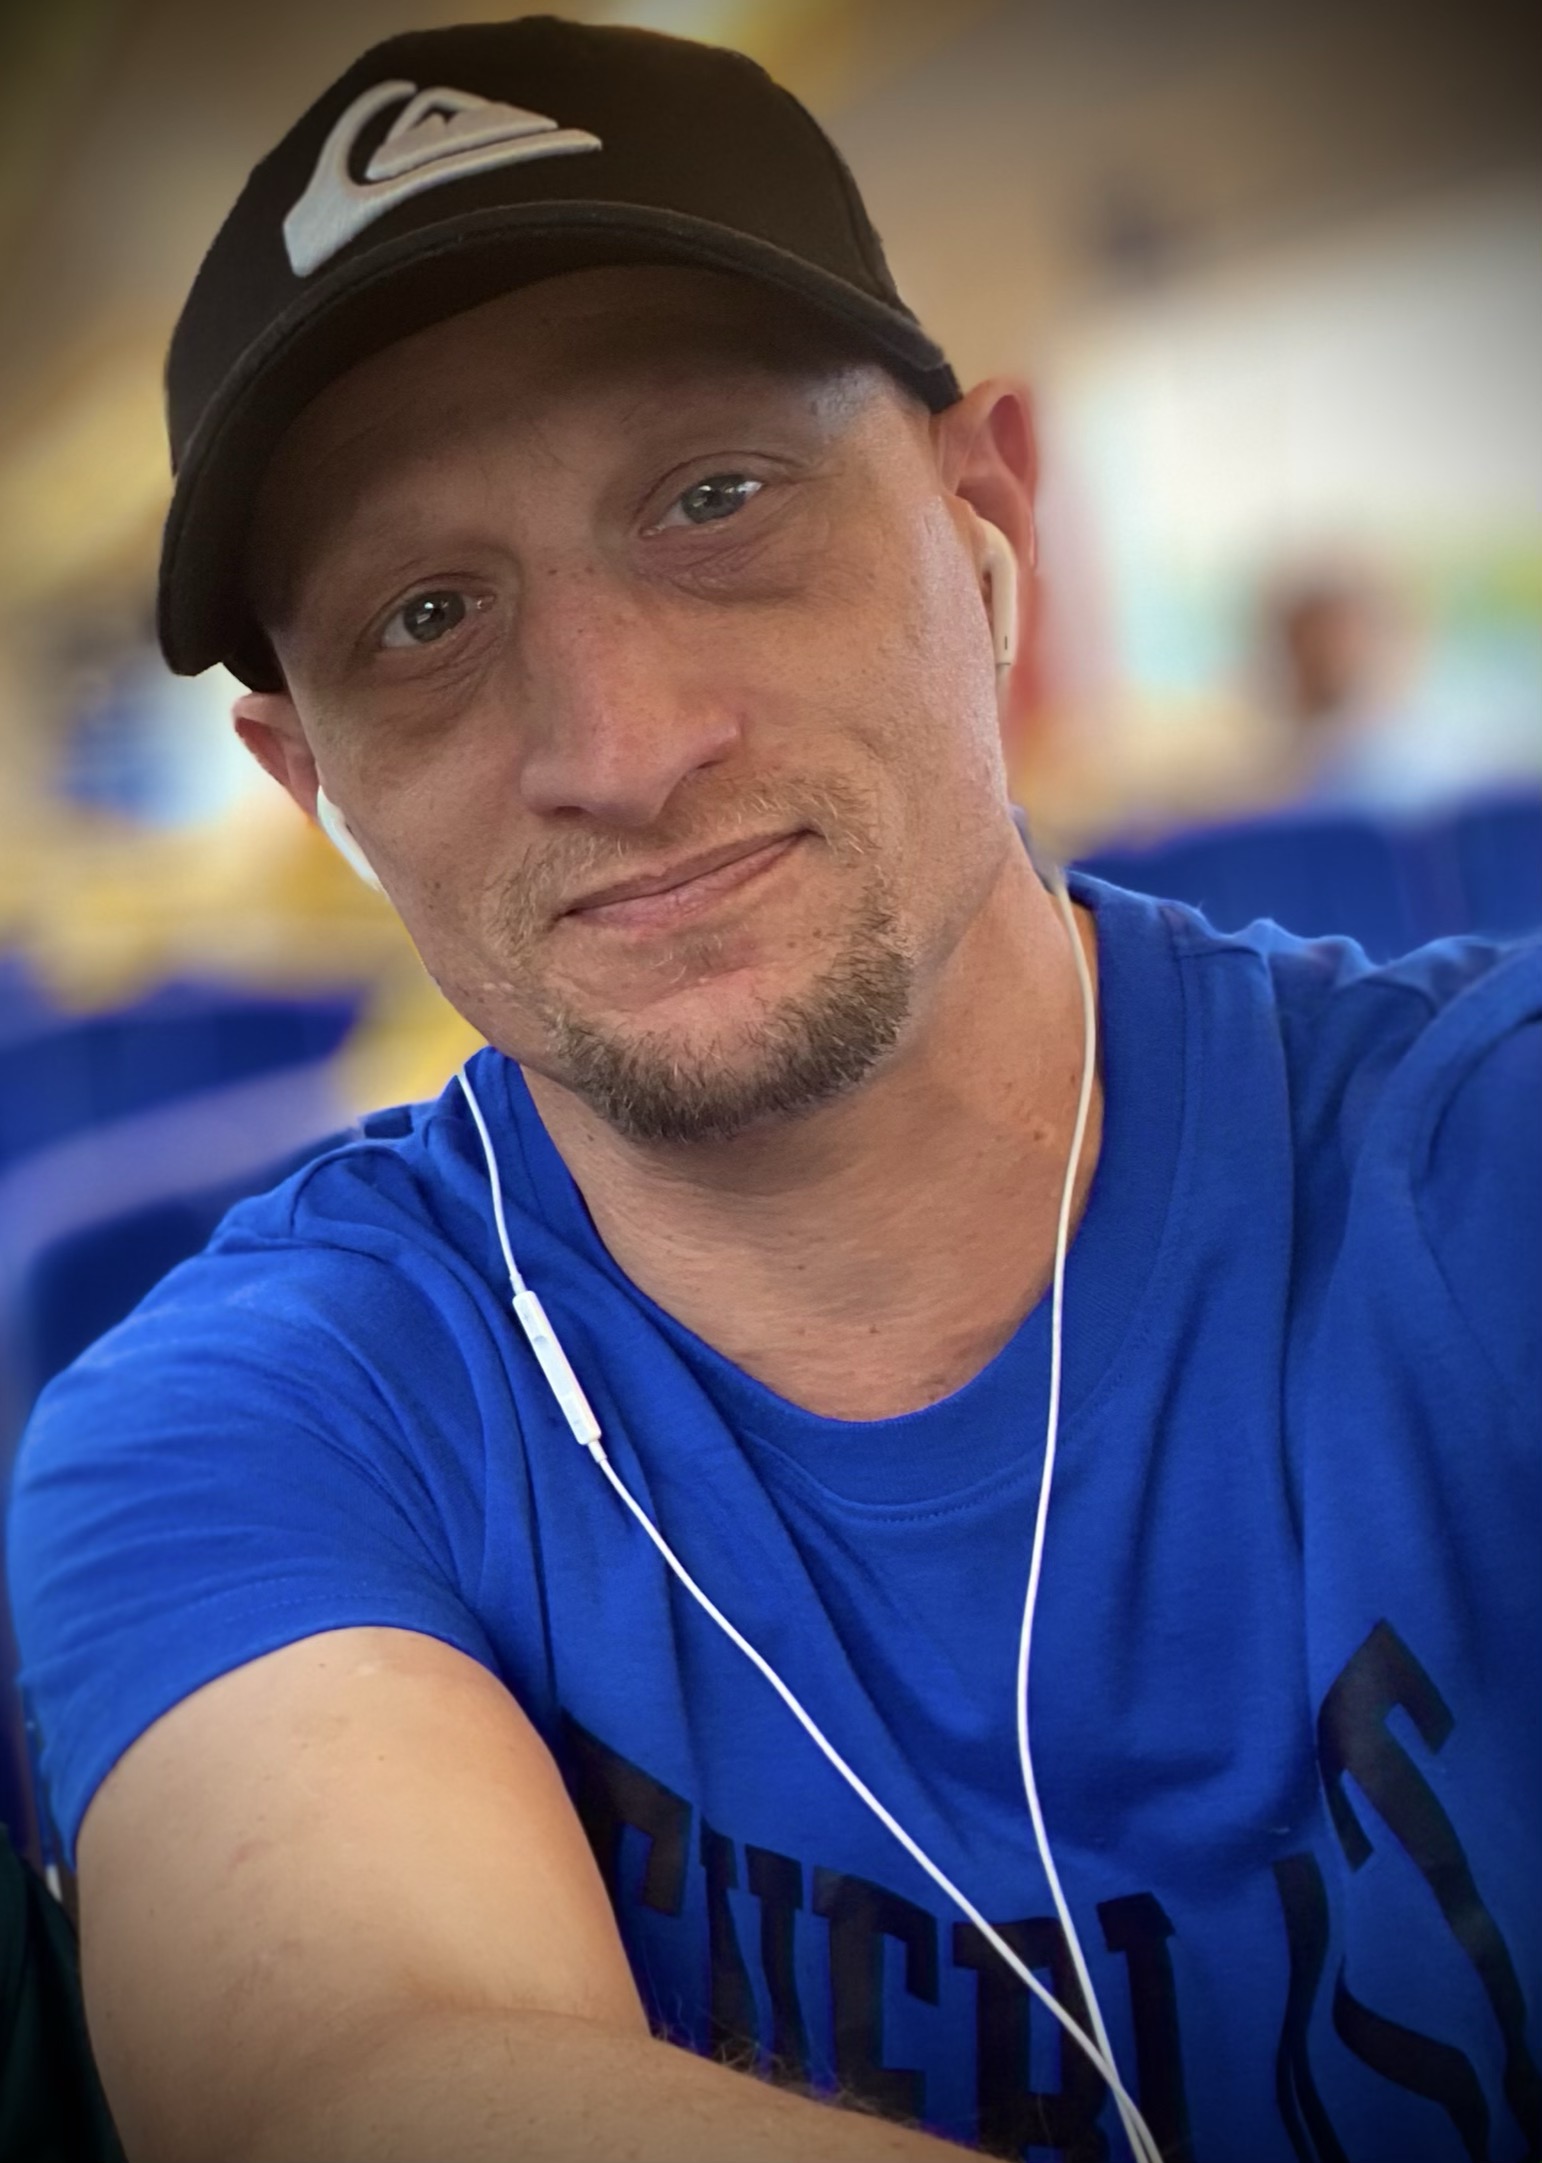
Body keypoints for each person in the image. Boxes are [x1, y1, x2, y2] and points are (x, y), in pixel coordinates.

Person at [7, 18, 1539, 2162]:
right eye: (426, 616)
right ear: (309, 783)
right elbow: (358, 2078)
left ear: (983, 525)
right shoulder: (245, 1416)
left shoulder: (1480, 1161)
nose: (620, 748)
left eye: (715, 498)